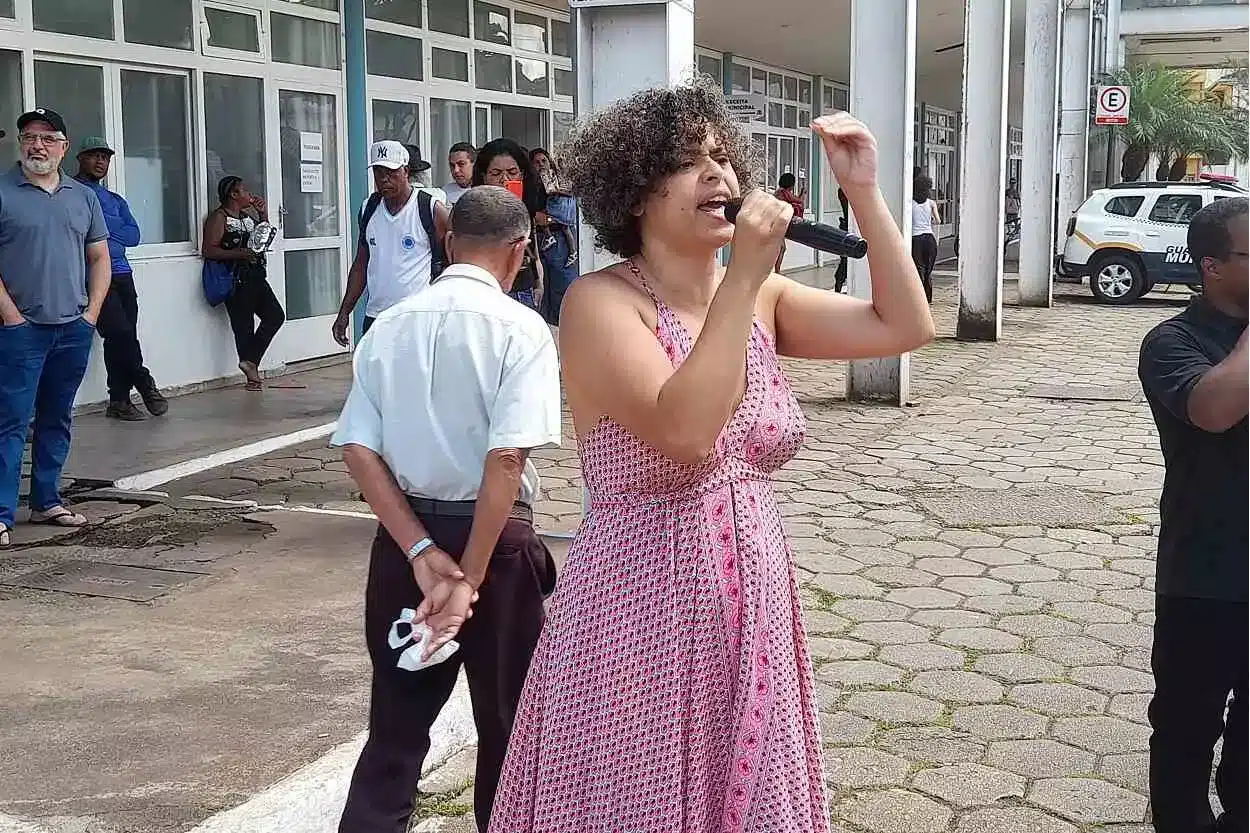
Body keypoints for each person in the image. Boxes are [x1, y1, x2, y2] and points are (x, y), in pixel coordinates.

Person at [490, 79, 934, 832]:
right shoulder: (601, 303)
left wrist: (864, 193)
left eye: (725, 158)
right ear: (635, 192)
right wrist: (748, 278)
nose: (718, 175)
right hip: (637, 611)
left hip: (749, 602)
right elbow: (687, 432)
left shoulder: (759, 298)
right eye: (687, 161)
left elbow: (906, 323)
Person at [333, 186, 561, 833]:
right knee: (508, 731)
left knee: (395, 733)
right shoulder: (521, 329)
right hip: (498, 547)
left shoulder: (392, 325)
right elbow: (506, 461)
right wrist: (470, 578)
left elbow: (358, 448)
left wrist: (421, 554)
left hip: (407, 546)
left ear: (449, 243)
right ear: (520, 251)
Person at [1138, 196, 1248, 833]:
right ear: (1211, 264)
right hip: (1205, 570)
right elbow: (1214, 409)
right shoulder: (1173, 341)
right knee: (1186, 721)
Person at [0, 108, 112, 547]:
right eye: (30, 137)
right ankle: (3, 513)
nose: (37, 146)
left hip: (73, 328)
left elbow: (99, 257)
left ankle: (47, 500)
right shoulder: (4, 191)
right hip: (21, 330)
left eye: (48, 138)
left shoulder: (81, 197)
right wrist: (10, 316)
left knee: (57, 417)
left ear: (64, 147)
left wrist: (91, 315)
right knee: (10, 422)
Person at [73, 136, 167, 421]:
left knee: (121, 339)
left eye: (105, 157)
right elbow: (80, 231)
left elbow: (133, 236)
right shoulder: (72, 192)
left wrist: (101, 220)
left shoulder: (114, 199)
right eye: (94, 156)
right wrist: (110, 227)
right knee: (120, 333)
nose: (101, 162)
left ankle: (119, 401)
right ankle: (144, 381)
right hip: (94, 276)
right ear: (79, 158)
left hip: (123, 274)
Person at [333, 141, 450, 345]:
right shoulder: (368, 209)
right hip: (376, 317)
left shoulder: (430, 208)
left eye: (391, 172)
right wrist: (344, 312)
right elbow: (361, 265)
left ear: (406, 171)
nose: (384, 180)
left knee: (414, 376)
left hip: (416, 317)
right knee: (373, 376)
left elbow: (454, 261)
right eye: (379, 173)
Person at [202, 175, 284, 391]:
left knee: (275, 316)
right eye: (244, 190)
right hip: (235, 278)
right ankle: (252, 375)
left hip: (256, 275)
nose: (249, 194)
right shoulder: (219, 218)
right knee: (244, 327)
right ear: (233, 194)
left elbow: (263, 239)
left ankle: (250, 361)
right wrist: (239, 253)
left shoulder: (247, 218)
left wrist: (263, 214)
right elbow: (209, 250)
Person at [473, 138, 546, 310]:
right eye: (496, 173)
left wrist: (538, 282)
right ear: (483, 176)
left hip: (524, 291)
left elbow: (532, 248)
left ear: (521, 174)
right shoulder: (471, 210)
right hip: (486, 295)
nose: (504, 179)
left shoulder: (524, 207)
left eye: (512, 172)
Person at [530, 147, 579, 325]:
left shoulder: (555, 179)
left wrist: (550, 218)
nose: (541, 165)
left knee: (563, 284)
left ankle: (563, 326)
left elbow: (566, 206)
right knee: (543, 285)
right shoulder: (531, 185)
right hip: (539, 238)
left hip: (559, 237)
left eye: (544, 161)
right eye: (537, 162)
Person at [911, 174, 941, 303]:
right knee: (928, 270)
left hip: (916, 238)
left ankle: (918, 297)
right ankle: (928, 298)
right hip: (929, 238)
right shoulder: (931, 203)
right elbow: (938, 221)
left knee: (919, 268)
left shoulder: (910, 203)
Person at [773, 171, 806, 272]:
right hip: (776, 223)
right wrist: (803, 194)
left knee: (780, 248)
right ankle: (777, 271)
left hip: (775, 222)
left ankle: (776, 270)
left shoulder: (780, 192)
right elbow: (799, 201)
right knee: (781, 248)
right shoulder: (783, 192)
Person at [835, 186, 850, 293]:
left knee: (844, 261)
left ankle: (838, 287)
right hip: (848, 230)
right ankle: (838, 288)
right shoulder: (844, 192)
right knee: (844, 261)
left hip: (847, 229)